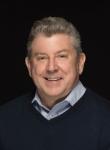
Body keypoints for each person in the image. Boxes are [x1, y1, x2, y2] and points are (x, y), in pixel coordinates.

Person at [0, 16, 110, 150]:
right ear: (29, 66)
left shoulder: (106, 120)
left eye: (61, 56)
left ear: (80, 62)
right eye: (42, 58)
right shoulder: (4, 119)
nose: (51, 67)